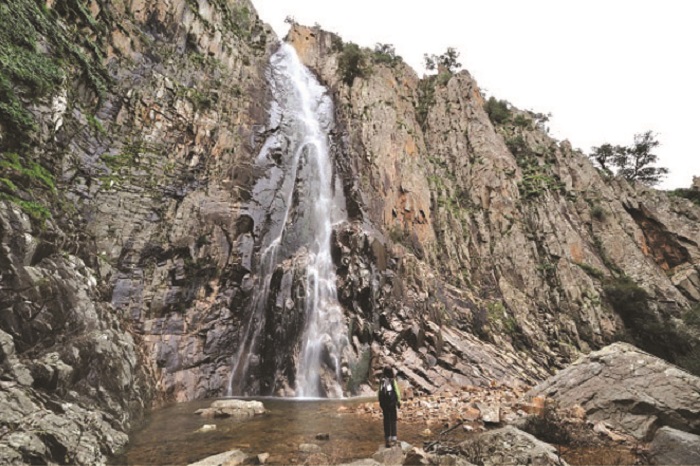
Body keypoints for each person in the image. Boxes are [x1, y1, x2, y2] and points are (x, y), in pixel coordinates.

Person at [378, 366, 401, 447]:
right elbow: (397, 391)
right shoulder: (392, 380)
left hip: (384, 403)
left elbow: (379, 392)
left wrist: (380, 402)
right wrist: (398, 401)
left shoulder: (381, 380)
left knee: (386, 421)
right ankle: (394, 438)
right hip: (392, 403)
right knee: (393, 420)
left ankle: (387, 438)